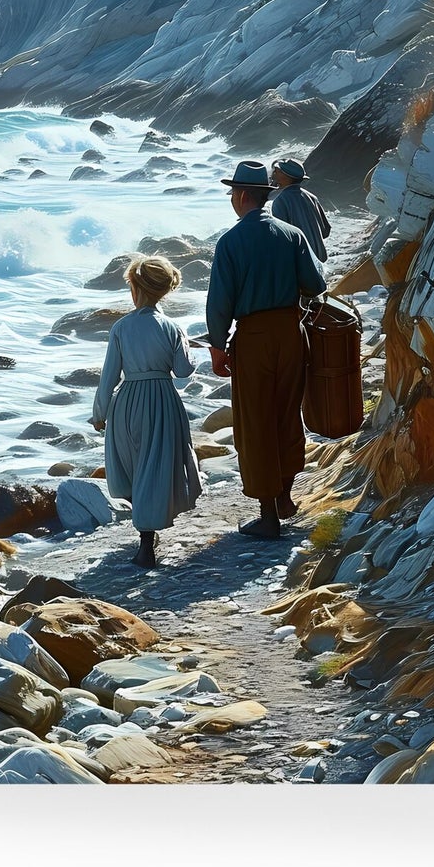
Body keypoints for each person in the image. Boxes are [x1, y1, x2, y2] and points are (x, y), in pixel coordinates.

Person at [205, 161, 327, 539]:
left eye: (231, 194)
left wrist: (217, 346)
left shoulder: (230, 242)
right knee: (287, 414)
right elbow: (315, 283)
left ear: (242, 196)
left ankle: (268, 515)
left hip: (254, 338)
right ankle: (286, 496)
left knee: (256, 423)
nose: (231, 199)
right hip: (291, 333)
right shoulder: (291, 235)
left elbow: (219, 302)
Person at [91, 255, 203, 568]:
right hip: (163, 400)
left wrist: (100, 413)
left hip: (128, 402)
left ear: (135, 288)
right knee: (156, 469)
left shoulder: (121, 327)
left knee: (135, 468)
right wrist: (190, 350)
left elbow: (109, 376)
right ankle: (146, 543)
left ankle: (145, 539)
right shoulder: (172, 327)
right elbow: (182, 371)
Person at [269, 158, 330, 263]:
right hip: (320, 259)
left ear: (285, 176)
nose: (273, 172)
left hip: (301, 262)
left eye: (277, 170)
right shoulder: (312, 197)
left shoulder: (280, 201)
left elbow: (281, 240)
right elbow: (325, 231)